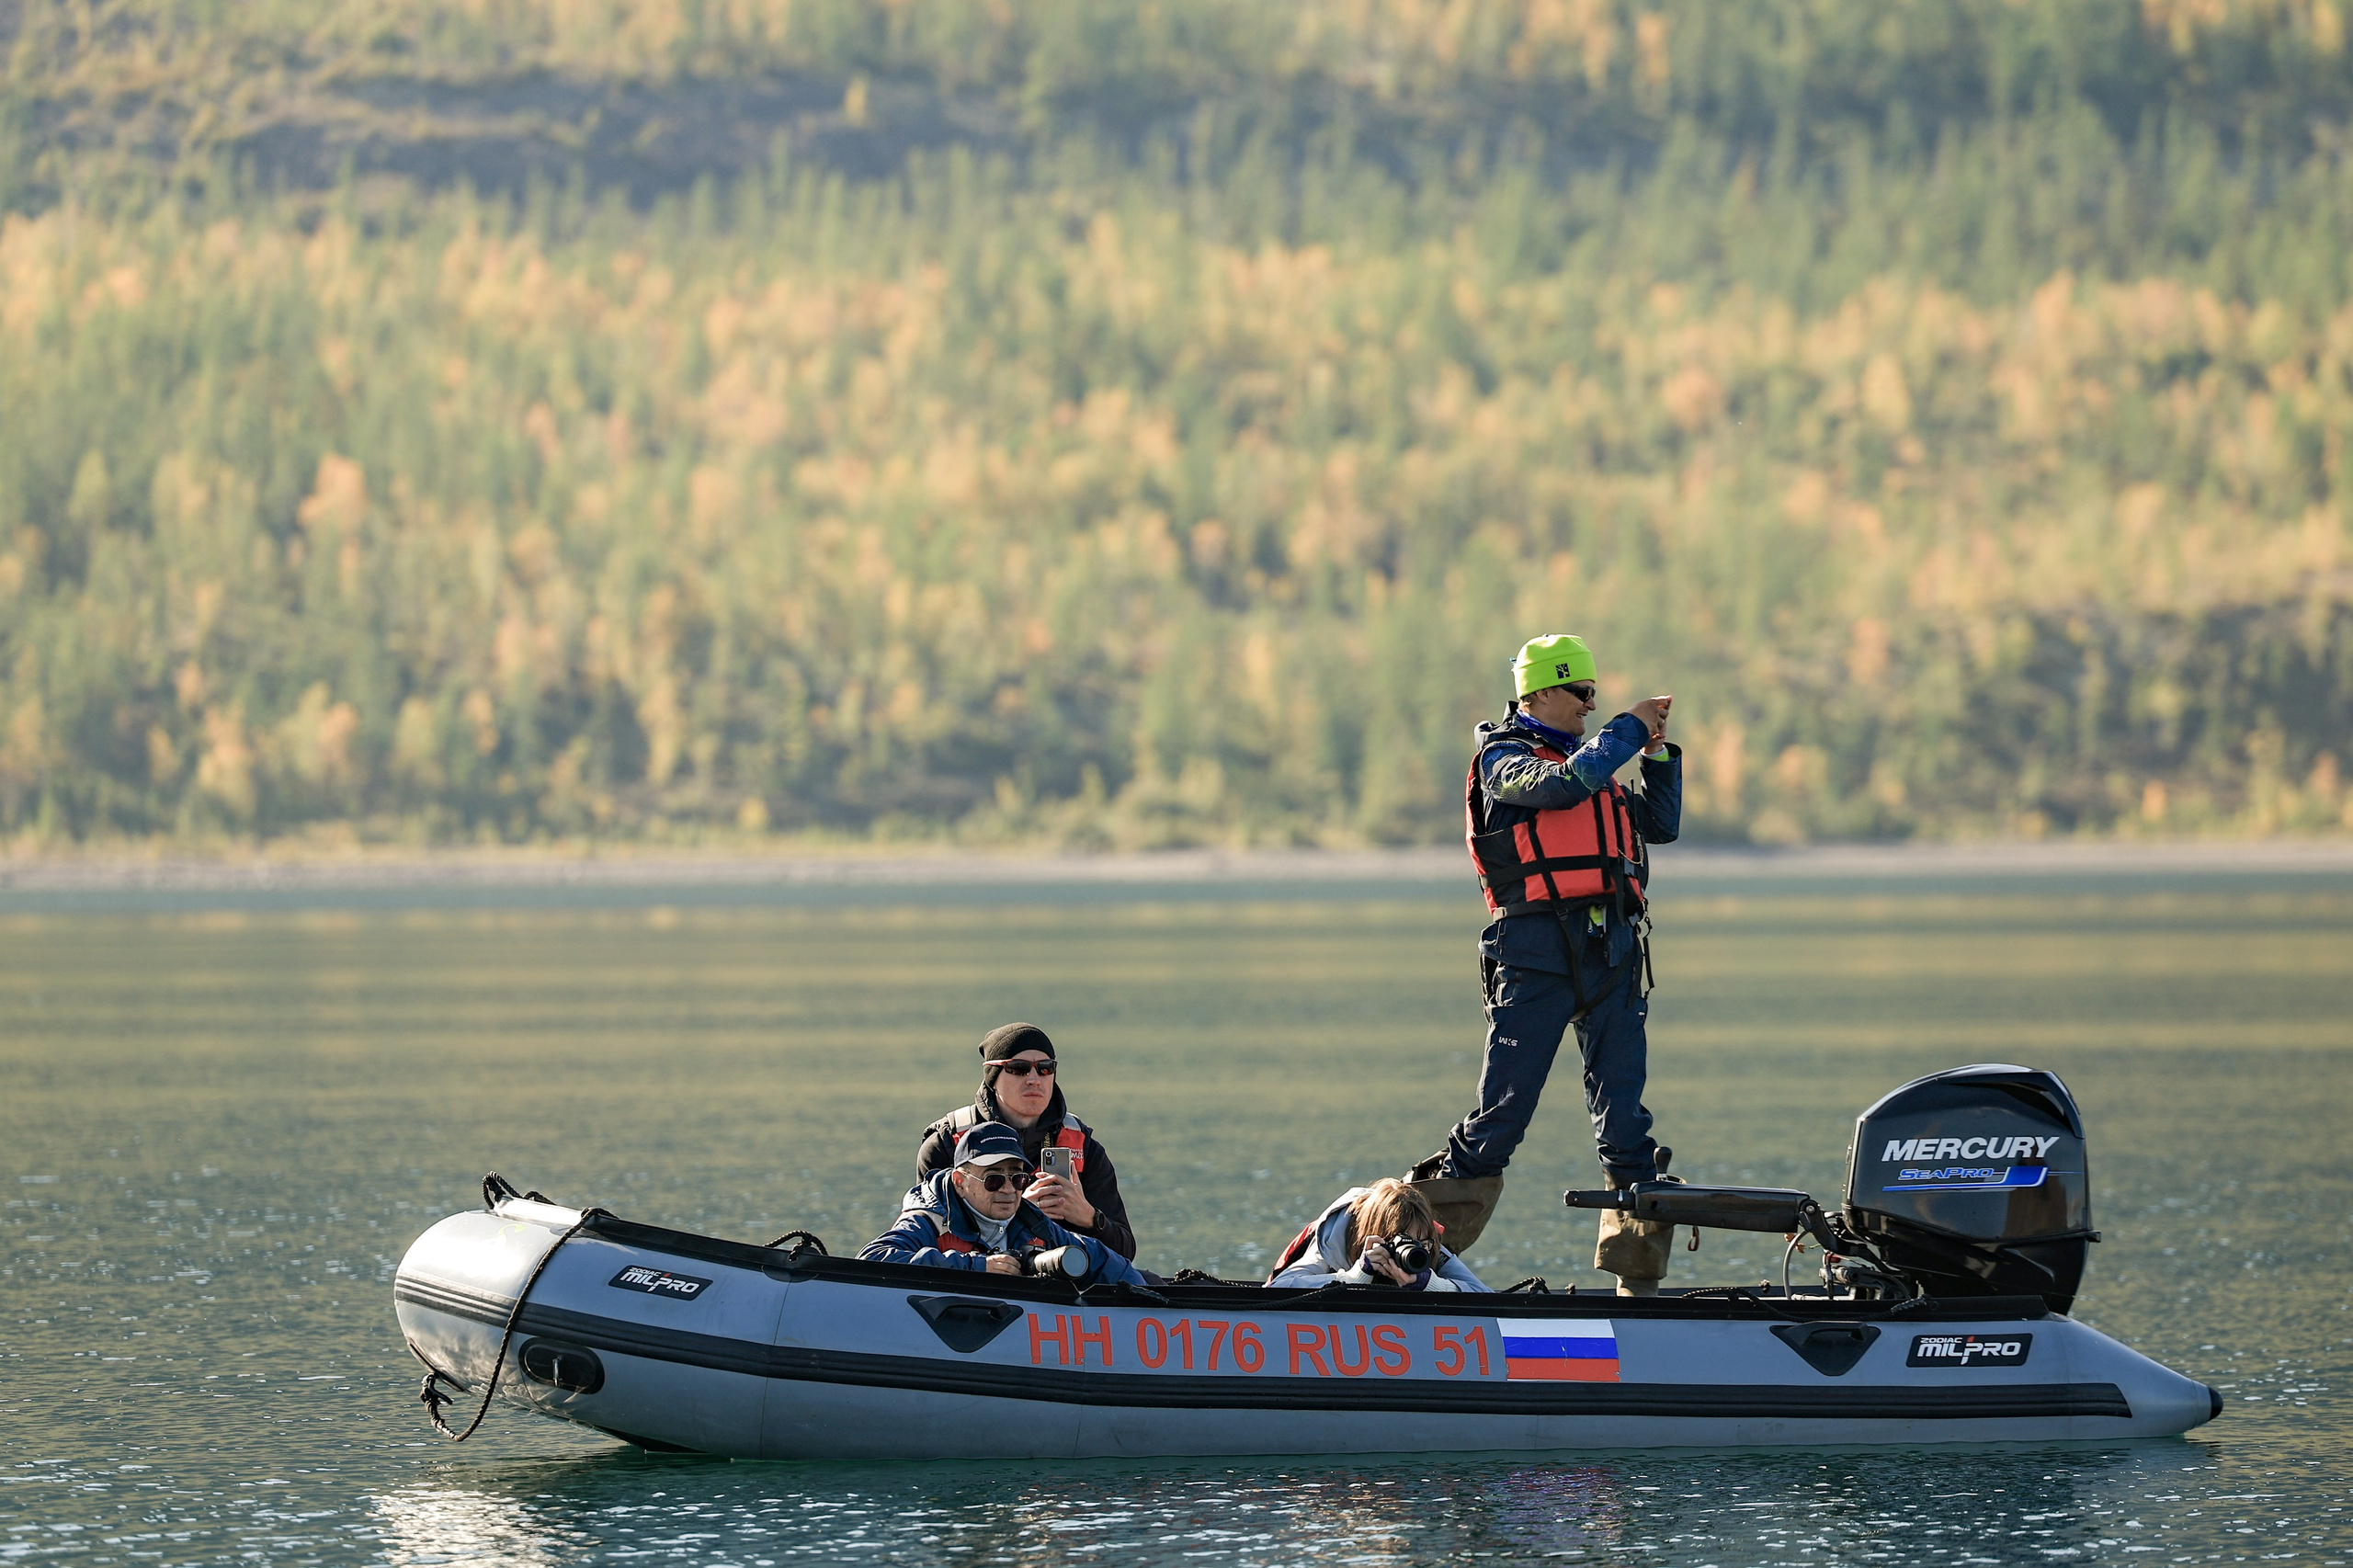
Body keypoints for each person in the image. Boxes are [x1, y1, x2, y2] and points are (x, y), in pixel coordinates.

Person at [1410, 632, 1684, 1294]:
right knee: (1498, 1119)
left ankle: (1639, 1290)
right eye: (1582, 692)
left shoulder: (1595, 764)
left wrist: (1657, 754)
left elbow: (1661, 825)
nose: (1591, 704)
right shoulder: (1505, 760)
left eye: (1595, 694)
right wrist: (1627, 727)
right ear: (1540, 691)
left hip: (1612, 953)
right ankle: (1405, 1263)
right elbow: (1561, 789)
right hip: (1534, 957)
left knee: (1627, 1126)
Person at [915, 1022, 1135, 1260]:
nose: (1034, 1079)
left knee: (1147, 1279)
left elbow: (1125, 1252)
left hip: (1062, 1275)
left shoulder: (1083, 1145)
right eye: (1019, 1068)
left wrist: (1090, 1217)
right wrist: (1018, 1213)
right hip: (978, 1274)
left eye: (1045, 1068)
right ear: (992, 1077)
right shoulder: (947, 1143)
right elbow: (923, 1244)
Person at [862, 1121, 1146, 1284]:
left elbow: (1109, 1264)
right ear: (960, 1182)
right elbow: (873, 1259)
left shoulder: (1032, 1221)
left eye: (1019, 1178)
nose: (1009, 1190)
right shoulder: (930, 1218)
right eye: (994, 1179)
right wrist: (977, 1267)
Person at [1267, 1177, 1491, 1292]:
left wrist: (1433, 1285)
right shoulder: (1334, 1241)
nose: (1412, 1249)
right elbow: (1277, 1289)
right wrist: (1352, 1278)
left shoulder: (1426, 1244)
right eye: (1402, 1242)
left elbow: (1486, 1296)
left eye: (1421, 1242)